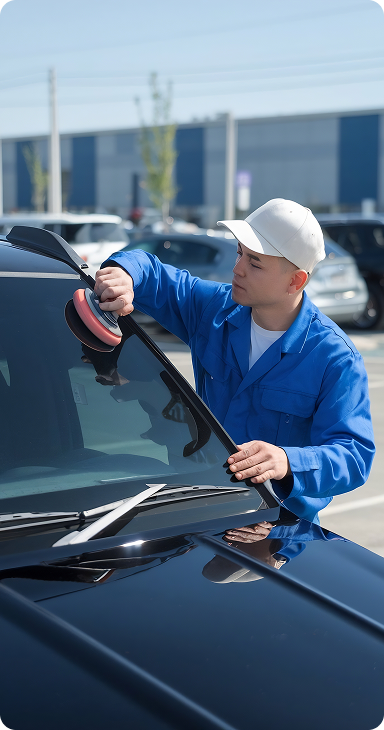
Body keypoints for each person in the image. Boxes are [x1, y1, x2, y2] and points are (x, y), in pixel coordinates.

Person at [94, 198, 375, 523]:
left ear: (295, 281)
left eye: (255, 263)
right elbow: (148, 269)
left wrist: (286, 461)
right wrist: (125, 276)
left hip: (276, 532)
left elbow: (354, 455)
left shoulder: (333, 356)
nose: (237, 268)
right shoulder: (213, 309)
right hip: (196, 507)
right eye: (240, 253)